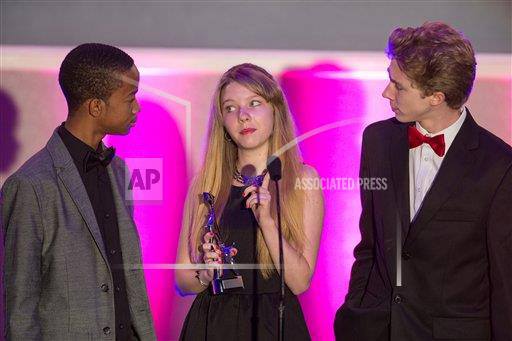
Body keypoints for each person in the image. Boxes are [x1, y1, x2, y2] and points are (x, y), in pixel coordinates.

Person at [334, 22, 512, 340]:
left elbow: (505, 280)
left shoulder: (499, 166)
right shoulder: (378, 140)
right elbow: (369, 245)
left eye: (398, 85)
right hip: (377, 329)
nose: (386, 92)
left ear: (435, 97)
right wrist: (355, 316)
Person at [1, 43, 155, 340]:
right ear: (96, 107)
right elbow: (20, 307)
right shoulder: (30, 186)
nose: (136, 107)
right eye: (130, 98)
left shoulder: (119, 170)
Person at [175, 63, 324, 340]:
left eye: (254, 103)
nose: (243, 116)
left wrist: (266, 221)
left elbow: (300, 281)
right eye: (230, 108)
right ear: (222, 121)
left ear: (275, 109)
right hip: (212, 324)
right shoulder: (206, 182)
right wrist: (205, 275)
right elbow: (182, 280)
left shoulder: (303, 179)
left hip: (274, 325)